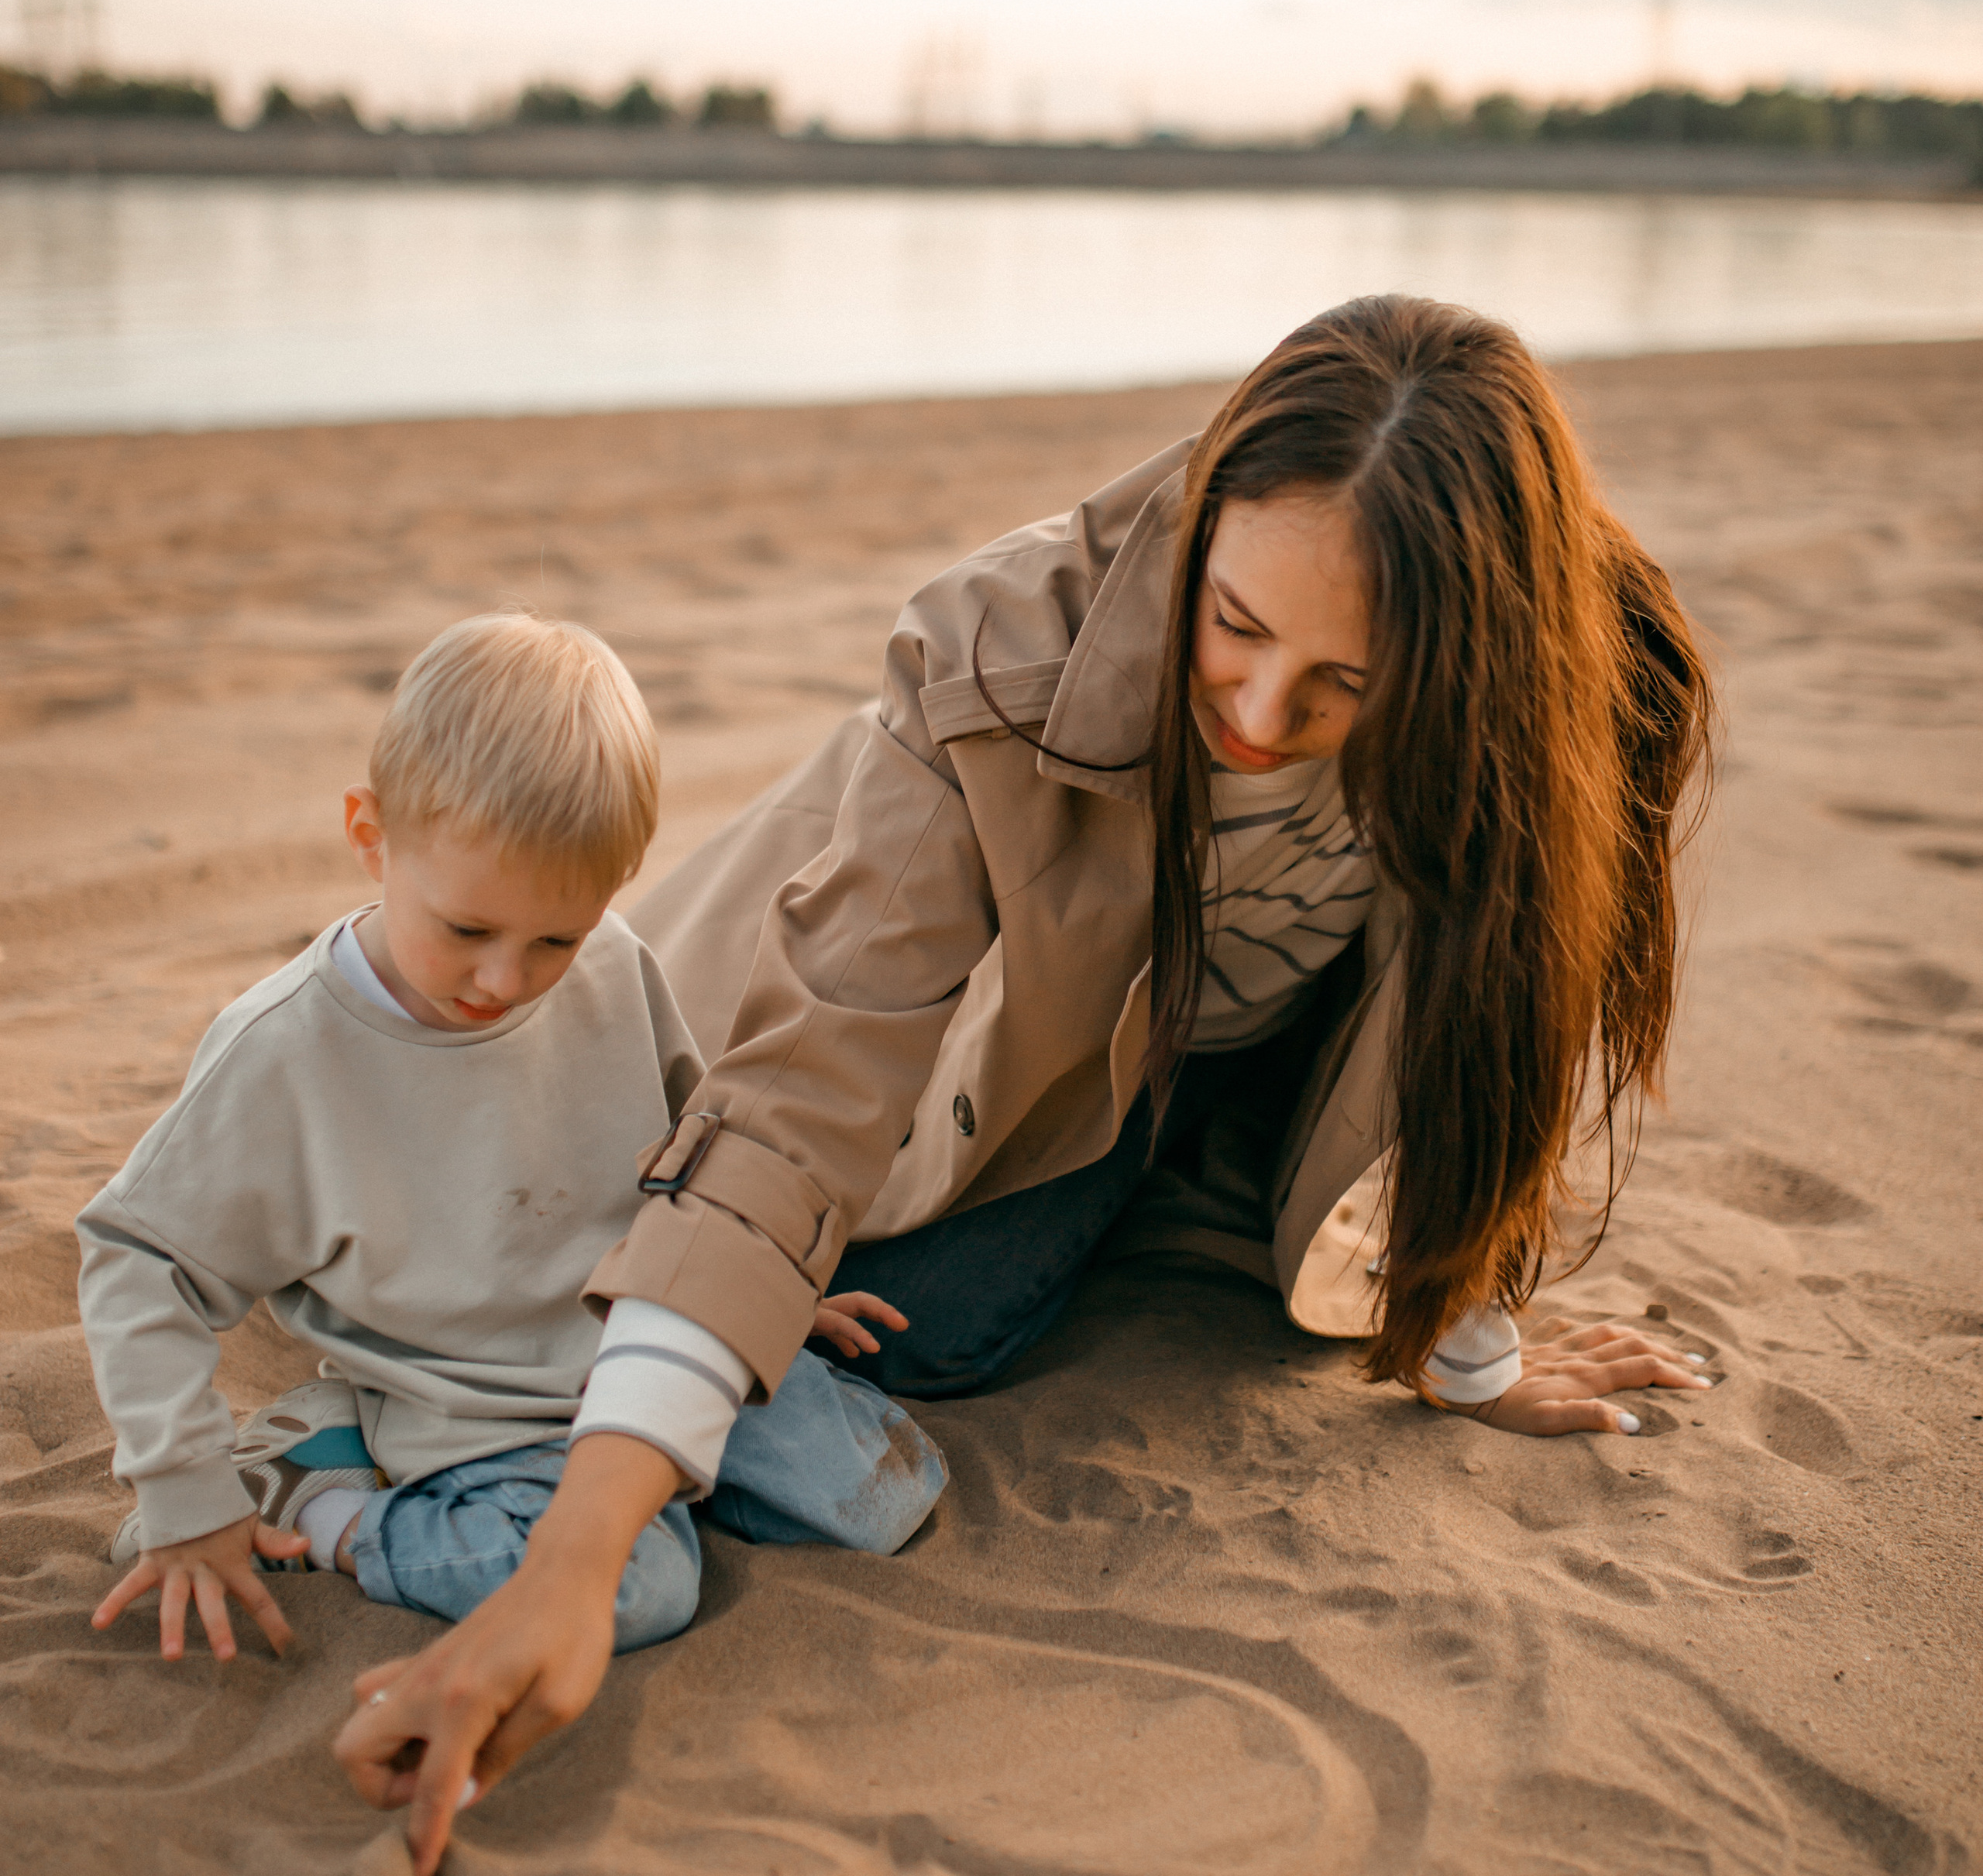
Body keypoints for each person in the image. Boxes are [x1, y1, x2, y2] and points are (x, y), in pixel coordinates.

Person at [333, 295, 1718, 1872]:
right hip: (1017, 1052)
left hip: (1247, 1055)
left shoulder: (1584, 686)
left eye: (1343, 682)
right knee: (943, 1323)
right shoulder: (999, 649)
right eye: (1235, 629)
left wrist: (1465, 1342)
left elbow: (1483, 1020)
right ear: (1197, 528)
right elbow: (808, 1085)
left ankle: (1196, 1175)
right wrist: (575, 1569)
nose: (1262, 721)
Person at [77, 613, 946, 1684]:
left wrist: (754, 1290)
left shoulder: (615, 963)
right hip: (474, 1407)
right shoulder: (282, 1057)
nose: (503, 981)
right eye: (466, 931)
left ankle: (362, 1435)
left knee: (880, 1494)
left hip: (629, 1339)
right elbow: (138, 1258)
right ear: (370, 834)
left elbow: (695, 1161)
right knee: (646, 1589)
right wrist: (180, 1491)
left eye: (554, 939)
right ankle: (327, 1496)